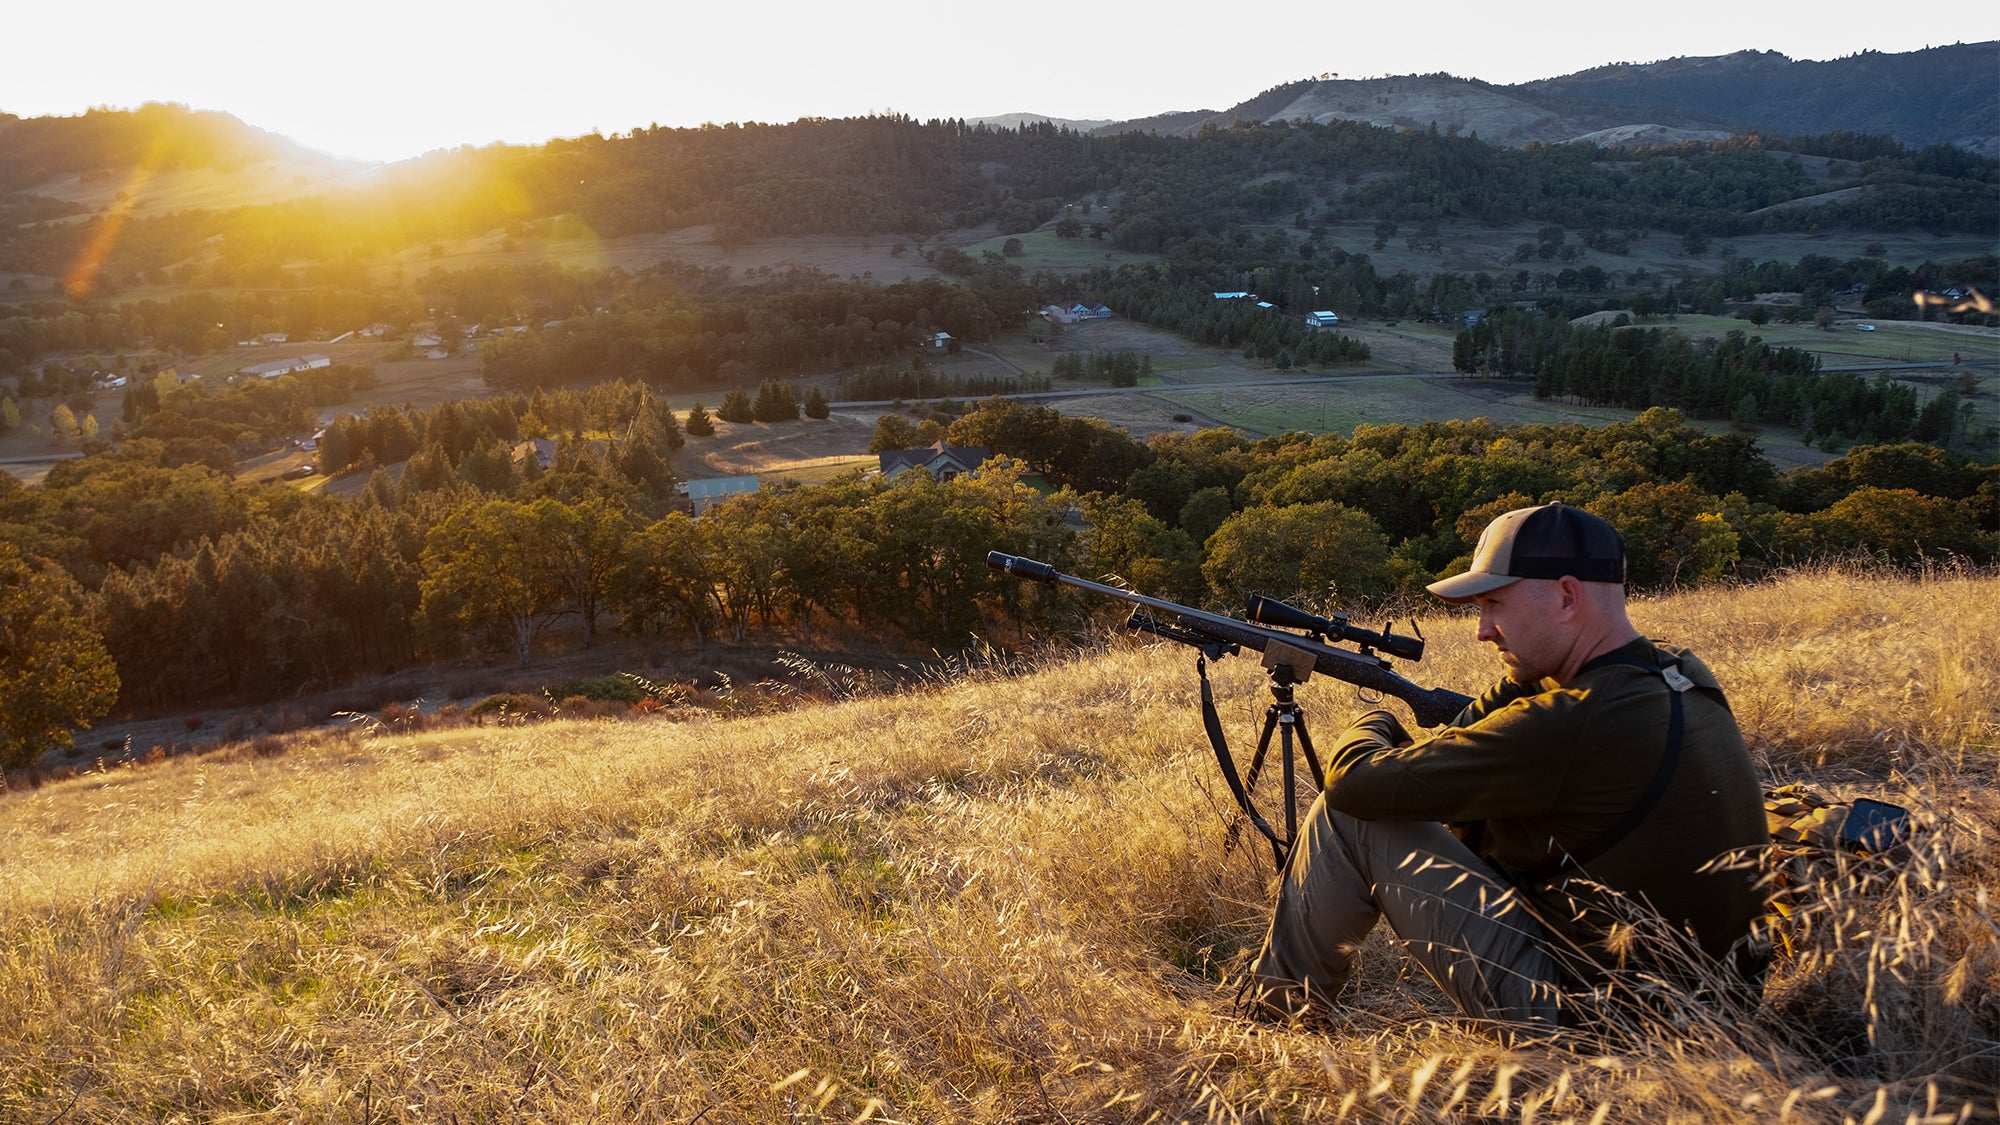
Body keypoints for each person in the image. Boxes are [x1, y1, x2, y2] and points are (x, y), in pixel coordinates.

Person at [1241, 502, 1770, 1028]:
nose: (1483, 630)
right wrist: (1523, 678)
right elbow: (1469, 738)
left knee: (1347, 818)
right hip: (1702, 1009)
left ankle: (1273, 1024)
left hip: (1604, 1030)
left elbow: (1354, 785)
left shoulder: (1573, 721)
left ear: (1567, 597)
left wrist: (1376, 718)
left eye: (1494, 603)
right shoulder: (1674, 670)